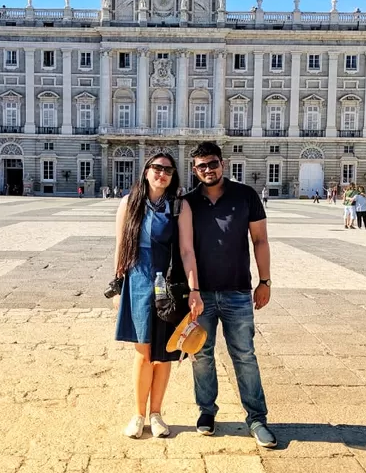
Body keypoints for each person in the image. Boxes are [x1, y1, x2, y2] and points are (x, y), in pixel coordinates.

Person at [185, 141, 276, 448]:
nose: (208, 170)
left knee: (245, 356)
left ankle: (256, 418)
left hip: (238, 291)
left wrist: (265, 281)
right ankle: (207, 412)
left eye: (212, 164)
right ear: (194, 170)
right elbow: (183, 251)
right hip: (202, 295)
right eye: (201, 166)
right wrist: (191, 291)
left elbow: (260, 240)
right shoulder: (188, 202)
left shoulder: (246, 195)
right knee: (201, 356)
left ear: (222, 163)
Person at [114, 153, 203, 439]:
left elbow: (188, 251)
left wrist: (194, 290)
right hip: (138, 281)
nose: (161, 173)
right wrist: (117, 285)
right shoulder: (129, 203)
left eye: (167, 169)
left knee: (164, 355)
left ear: (173, 175)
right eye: (156, 168)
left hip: (168, 284)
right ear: (146, 171)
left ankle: (157, 413)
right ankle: (139, 414)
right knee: (143, 353)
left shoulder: (179, 206)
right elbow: (121, 247)